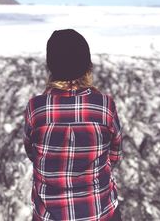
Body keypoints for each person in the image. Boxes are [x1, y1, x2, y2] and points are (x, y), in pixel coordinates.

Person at [23, 29, 123, 221]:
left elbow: (32, 153)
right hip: (99, 211)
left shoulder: (36, 108)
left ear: (51, 67)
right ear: (87, 65)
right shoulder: (104, 106)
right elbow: (115, 154)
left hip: (49, 214)